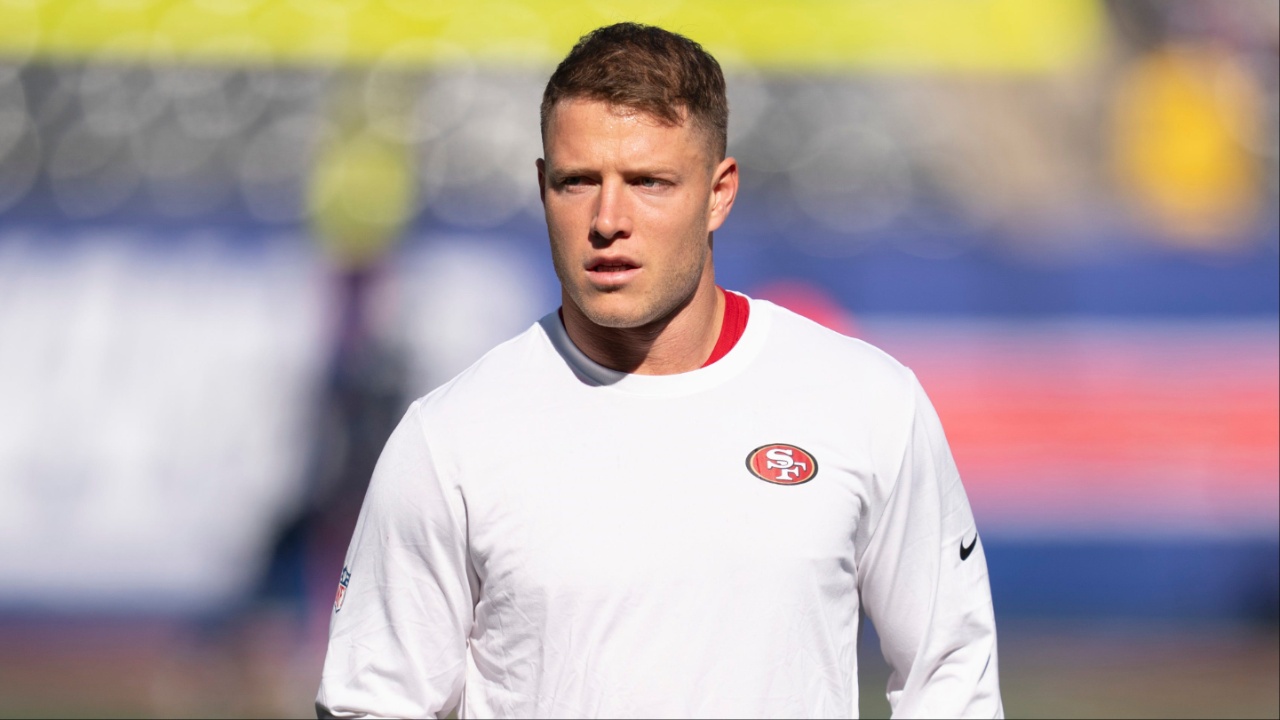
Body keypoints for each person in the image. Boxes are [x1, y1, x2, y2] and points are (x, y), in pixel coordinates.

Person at [316, 22, 1002, 719]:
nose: (608, 219)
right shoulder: (449, 440)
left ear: (718, 192)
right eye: (578, 181)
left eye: (649, 182)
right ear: (542, 186)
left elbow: (953, 674)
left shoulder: (866, 401)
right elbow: (372, 702)